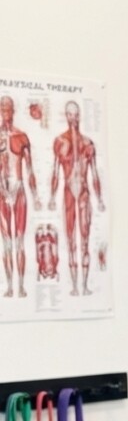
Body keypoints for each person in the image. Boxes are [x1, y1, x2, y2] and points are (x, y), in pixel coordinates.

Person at [49, 100, 105, 296]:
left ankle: (85, 286)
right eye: (70, 115)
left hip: (83, 194)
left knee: (84, 240)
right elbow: (56, 172)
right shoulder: (60, 142)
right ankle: (74, 286)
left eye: (76, 115)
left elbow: (95, 174)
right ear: (66, 116)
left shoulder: (88, 144)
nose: (73, 119)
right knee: (71, 240)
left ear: (80, 116)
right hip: (68, 195)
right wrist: (51, 197)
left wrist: (99, 199)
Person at [0, 94, 40, 298]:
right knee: (6, 241)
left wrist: (36, 196)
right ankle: (8, 286)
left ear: (13, 111)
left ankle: (22, 286)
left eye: (8, 109)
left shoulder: (22, 137)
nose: (6, 112)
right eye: (2, 109)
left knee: (19, 240)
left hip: (20, 189)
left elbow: (30, 170)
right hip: (1, 192)